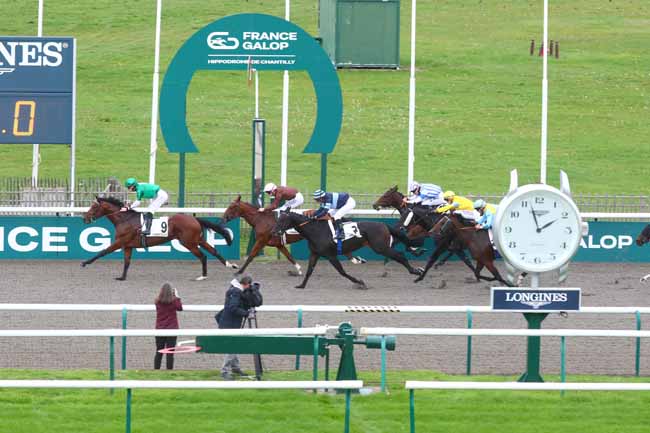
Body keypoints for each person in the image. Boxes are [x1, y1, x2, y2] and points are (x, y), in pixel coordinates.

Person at [215, 275, 253, 380]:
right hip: (230, 324)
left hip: (228, 322)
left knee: (233, 346)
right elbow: (233, 308)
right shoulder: (236, 292)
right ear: (247, 284)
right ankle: (224, 371)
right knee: (232, 347)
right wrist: (246, 313)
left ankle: (235, 368)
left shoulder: (234, 290)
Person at [154, 282, 182, 370]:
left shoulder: (157, 301)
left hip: (160, 329)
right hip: (172, 329)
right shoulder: (174, 301)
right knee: (170, 353)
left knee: (159, 351)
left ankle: (156, 370)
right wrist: (177, 296)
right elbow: (180, 308)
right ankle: (169, 371)